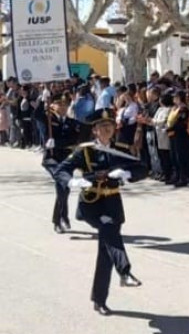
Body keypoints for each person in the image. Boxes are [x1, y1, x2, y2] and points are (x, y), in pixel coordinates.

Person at [54, 109, 147, 315]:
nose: (108, 130)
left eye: (111, 126)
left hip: (112, 201)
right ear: (95, 130)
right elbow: (61, 170)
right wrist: (73, 181)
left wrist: (128, 174)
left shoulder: (121, 149)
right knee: (108, 232)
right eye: (103, 127)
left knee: (106, 250)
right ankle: (125, 272)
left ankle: (99, 299)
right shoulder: (85, 151)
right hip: (91, 202)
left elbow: (143, 168)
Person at [42, 93, 82, 233]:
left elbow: (74, 139)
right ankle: (59, 220)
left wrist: (57, 143)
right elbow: (36, 116)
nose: (63, 107)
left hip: (66, 160)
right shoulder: (48, 119)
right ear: (53, 105)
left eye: (65, 104)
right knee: (62, 187)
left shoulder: (72, 123)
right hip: (52, 160)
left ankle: (62, 217)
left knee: (65, 189)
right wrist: (44, 98)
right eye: (59, 104)